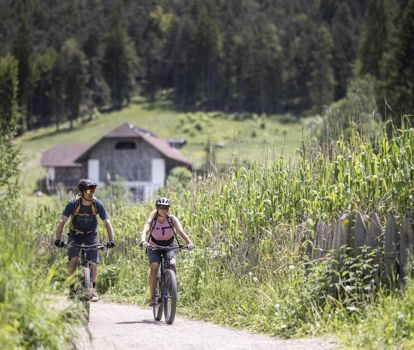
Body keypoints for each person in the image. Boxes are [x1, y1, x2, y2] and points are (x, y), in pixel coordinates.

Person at [54, 179, 115, 301]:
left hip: (91, 235)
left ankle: (93, 289)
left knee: (93, 262)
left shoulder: (97, 204)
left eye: (93, 190)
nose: (91, 193)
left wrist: (111, 240)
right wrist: (58, 239)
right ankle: (72, 289)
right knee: (74, 260)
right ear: (82, 192)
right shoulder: (73, 204)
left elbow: (107, 222)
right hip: (75, 235)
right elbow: (62, 222)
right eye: (88, 190)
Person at [140, 197, 194, 306]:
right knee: (154, 266)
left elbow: (180, 231)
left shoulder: (171, 219)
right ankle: (153, 296)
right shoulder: (153, 219)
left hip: (169, 246)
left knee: (173, 264)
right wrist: (143, 241)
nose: (163, 210)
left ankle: (171, 289)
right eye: (160, 208)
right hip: (154, 246)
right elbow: (145, 229)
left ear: (168, 209)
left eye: (165, 208)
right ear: (157, 208)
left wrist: (189, 242)